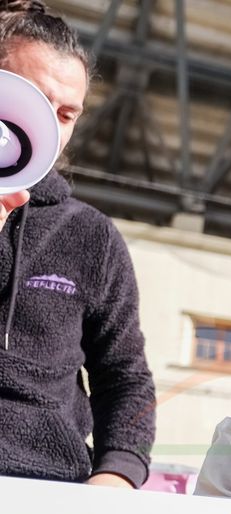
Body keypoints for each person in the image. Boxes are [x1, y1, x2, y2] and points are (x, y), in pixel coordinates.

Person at [0, 0, 155, 487]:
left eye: (67, 114)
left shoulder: (91, 236)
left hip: (52, 491)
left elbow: (126, 377)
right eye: (34, 101)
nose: (50, 126)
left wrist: (117, 474)